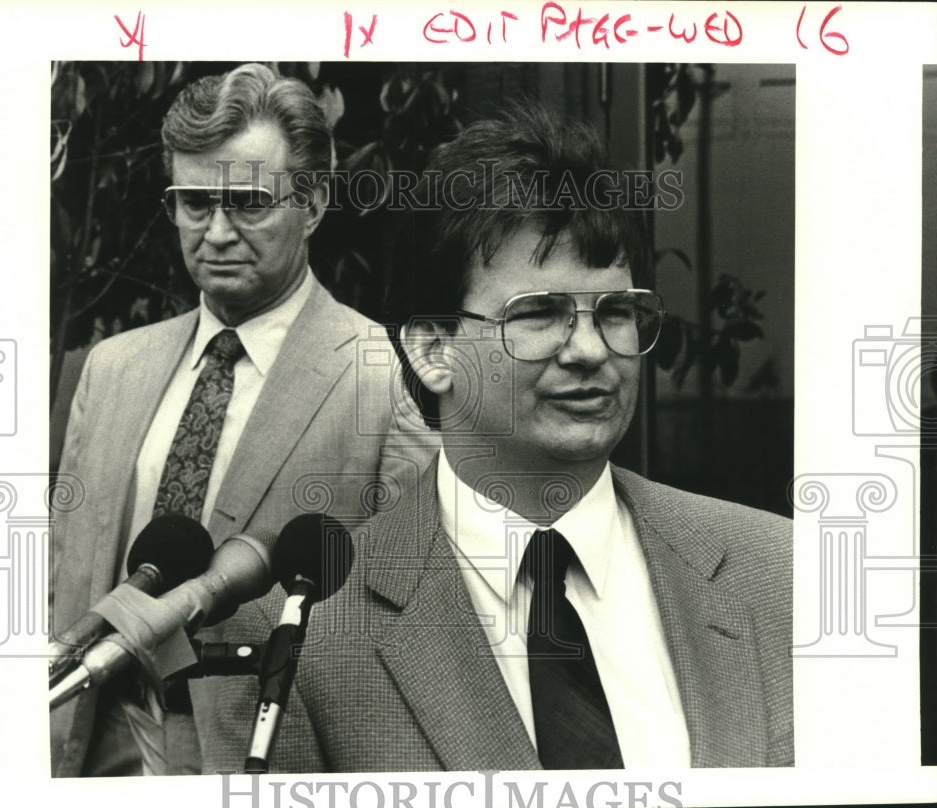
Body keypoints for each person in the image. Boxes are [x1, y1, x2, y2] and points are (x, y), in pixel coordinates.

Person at [201, 104, 794, 772]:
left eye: (618, 312)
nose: (590, 351)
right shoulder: (303, 632)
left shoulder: (778, 575)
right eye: (539, 313)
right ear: (431, 349)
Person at [49, 63, 435, 777]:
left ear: (313, 204)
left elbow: (416, 622)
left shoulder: (382, 376)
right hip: (85, 745)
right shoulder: (111, 368)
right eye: (194, 204)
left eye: (248, 202)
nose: (217, 232)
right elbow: (60, 568)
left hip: (268, 762)